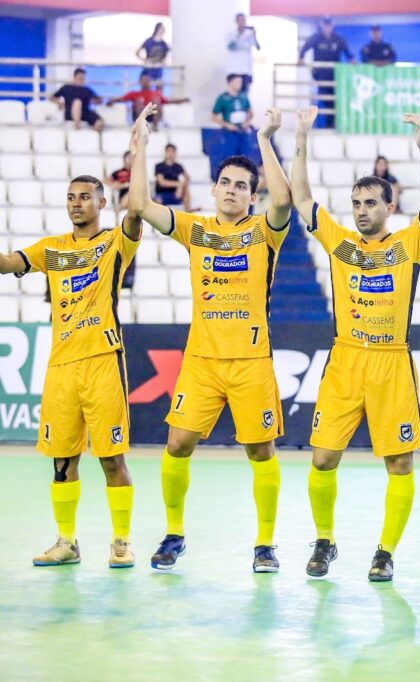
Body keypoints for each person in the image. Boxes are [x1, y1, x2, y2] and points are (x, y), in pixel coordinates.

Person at [128, 102, 293, 574]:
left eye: (242, 186)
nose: (232, 190)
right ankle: (174, 534)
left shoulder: (265, 231)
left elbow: (283, 202)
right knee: (177, 444)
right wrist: (139, 149)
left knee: (260, 450)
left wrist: (264, 139)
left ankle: (265, 544)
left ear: (250, 195)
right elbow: (140, 206)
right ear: (214, 188)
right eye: (226, 183)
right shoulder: (195, 228)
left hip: (251, 361)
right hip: (201, 361)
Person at [290, 106, 420, 581]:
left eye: (370, 204)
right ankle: (324, 539)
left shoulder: (409, 243)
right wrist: (300, 138)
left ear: (389, 206)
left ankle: (385, 551)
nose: (361, 211)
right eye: (356, 204)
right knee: (322, 457)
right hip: (345, 361)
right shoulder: (341, 243)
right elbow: (301, 200)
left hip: (392, 363)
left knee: (398, 461)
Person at [0, 148, 142, 568]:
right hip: (61, 366)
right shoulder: (52, 249)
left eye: (85, 196)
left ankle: (121, 541)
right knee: (63, 460)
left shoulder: (115, 242)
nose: (76, 203)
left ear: (102, 202)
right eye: (70, 197)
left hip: (102, 360)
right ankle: (66, 541)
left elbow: (136, 211)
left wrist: (138, 154)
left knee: (112, 459)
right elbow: (8, 263)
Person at [299, 17, 355, 129]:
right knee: (321, 99)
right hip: (320, 75)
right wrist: (301, 57)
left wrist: (351, 59)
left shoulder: (338, 39)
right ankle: (316, 123)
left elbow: (348, 52)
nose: (327, 27)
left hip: (335, 76)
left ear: (332, 26)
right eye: (325, 25)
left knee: (334, 100)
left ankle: (332, 124)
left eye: (329, 25)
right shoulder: (316, 38)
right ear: (322, 25)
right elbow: (305, 46)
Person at [107, 72, 189, 129]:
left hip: (153, 116)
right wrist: (111, 101)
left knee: (156, 100)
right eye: (143, 80)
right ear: (140, 82)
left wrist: (183, 100)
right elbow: (121, 99)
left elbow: (169, 101)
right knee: (139, 100)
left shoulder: (156, 93)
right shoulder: (134, 93)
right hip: (139, 115)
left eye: (147, 80)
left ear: (150, 82)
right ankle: (141, 125)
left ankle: (155, 125)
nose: (145, 82)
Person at [227, 13, 260, 92]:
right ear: (236, 21)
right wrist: (239, 35)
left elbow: (258, 47)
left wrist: (255, 35)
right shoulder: (231, 34)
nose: (242, 22)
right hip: (234, 69)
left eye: (244, 20)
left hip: (246, 70)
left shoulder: (249, 34)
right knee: (234, 93)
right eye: (240, 20)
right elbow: (230, 47)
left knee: (244, 94)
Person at [154, 143, 193, 211]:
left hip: (175, 194)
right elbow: (162, 182)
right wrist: (178, 184)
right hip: (162, 194)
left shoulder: (178, 166)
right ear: (165, 153)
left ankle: (188, 209)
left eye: (173, 152)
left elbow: (188, 177)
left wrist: (181, 186)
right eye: (169, 151)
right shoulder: (159, 166)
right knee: (157, 200)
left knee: (186, 188)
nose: (171, 154)